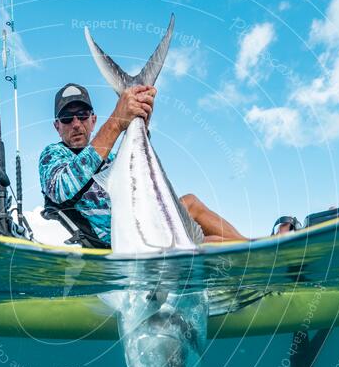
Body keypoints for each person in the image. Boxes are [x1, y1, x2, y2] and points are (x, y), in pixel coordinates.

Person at [39, 82, 246, 246]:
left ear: (93, 120)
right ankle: (258, 261)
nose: (75, 124)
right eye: (67, 118)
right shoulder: (53, 155)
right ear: (57, 126)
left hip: (146, 223)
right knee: (209, 245)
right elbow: (61, 189)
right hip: (122, 243)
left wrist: (140, 127)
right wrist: (116, 122)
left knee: (190, 202)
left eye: (82, 115)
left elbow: (144, 184)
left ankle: (262, 250)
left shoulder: (113, 159)